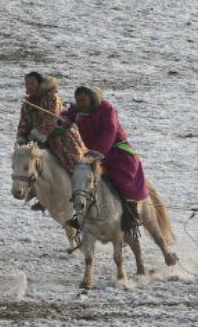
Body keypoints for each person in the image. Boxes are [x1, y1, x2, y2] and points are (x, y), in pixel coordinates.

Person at [59, 84, 150, 234]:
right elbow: (67, 116)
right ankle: (82, 215)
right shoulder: (78, 111)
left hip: (118, 154)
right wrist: (63, 121)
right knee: (84, 180)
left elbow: (110, 130)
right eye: (78, 101)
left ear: (92, 98)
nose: (81, 104)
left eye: (83, 100)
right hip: (95, 156)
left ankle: (130, 213)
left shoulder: (107, 109)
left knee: (122, 181)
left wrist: (97, 152)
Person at [15, 72, 86, 175]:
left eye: (32, 83)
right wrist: (21, 138)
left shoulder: (52, 96)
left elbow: (52, 117)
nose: (29, 86)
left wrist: (37, 133)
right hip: (41, 143)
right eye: (27, 84)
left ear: (39, 83)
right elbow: (23, 122)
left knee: (74, 167)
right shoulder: (27, 104)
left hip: (61, 139)